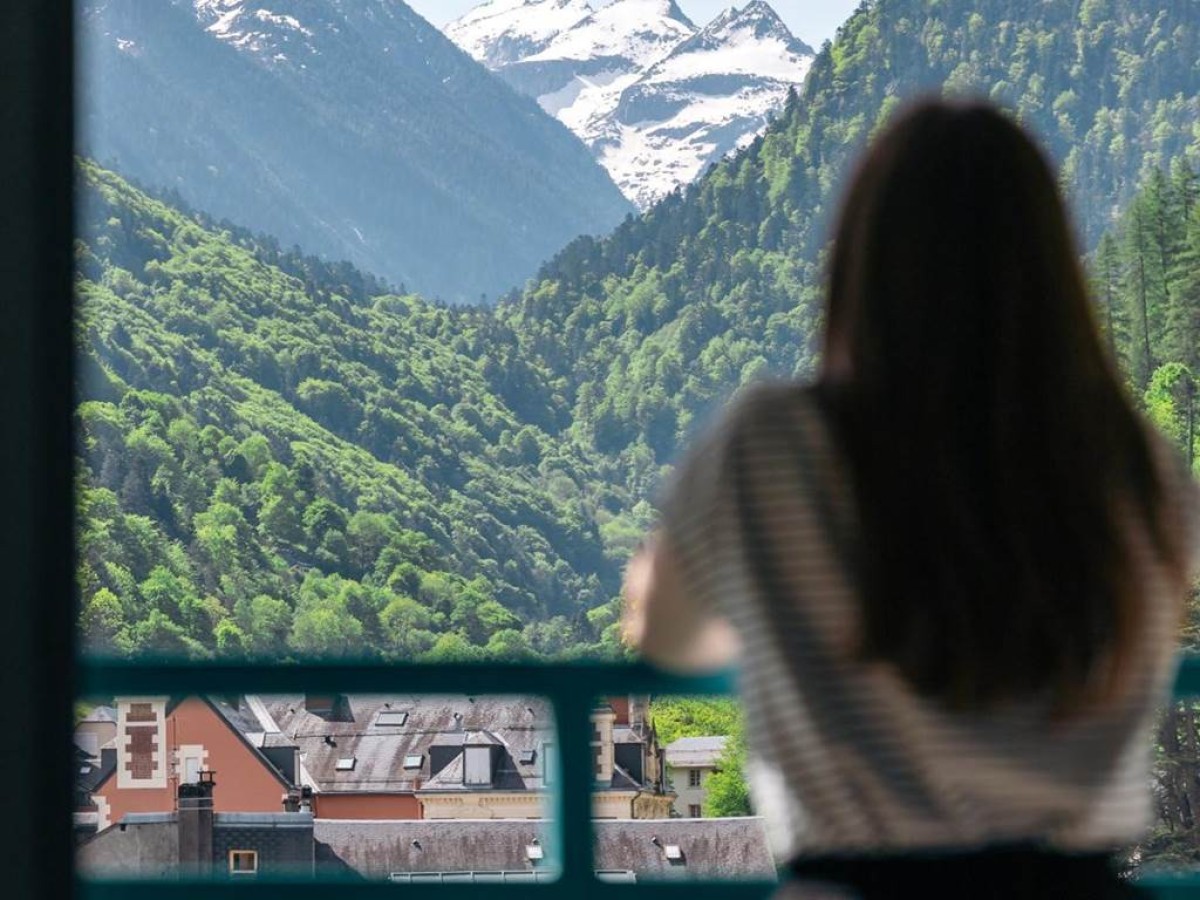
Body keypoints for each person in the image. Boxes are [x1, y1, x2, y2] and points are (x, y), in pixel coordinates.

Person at [622, 98, 1200, 899]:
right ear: (1051, 265)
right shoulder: (1140, 468)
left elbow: (669, 639)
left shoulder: (772, 442)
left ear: (863, 262)